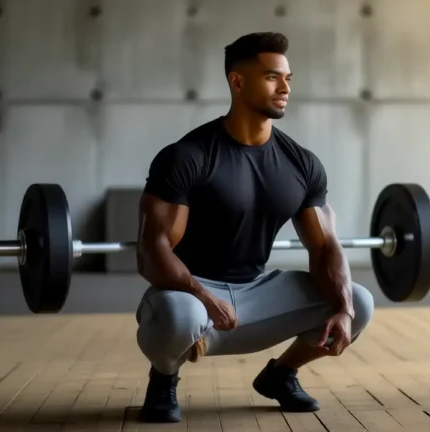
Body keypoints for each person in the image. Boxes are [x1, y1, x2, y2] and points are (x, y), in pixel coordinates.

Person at [134, 32, 375, 423]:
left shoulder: (301, 164)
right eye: (272, 77)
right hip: (193, 293)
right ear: (238, 81)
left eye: (288, 78)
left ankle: (281, 376)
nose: (285, 88)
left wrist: (344, 310)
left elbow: (326, 246)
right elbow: (152, 250)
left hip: (257, 294)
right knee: (177, 318)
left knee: (358, 303)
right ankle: (163, 379)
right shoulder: (188, 157)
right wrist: (203, 297)